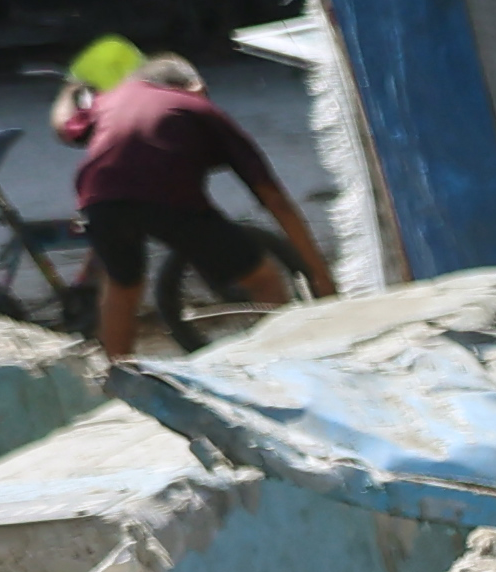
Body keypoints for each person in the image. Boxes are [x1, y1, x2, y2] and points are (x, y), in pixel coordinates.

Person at [61, 52, 332, 355]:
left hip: (97, 196)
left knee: (122, 287)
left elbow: (64, 126)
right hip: (166, 197)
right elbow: (274, 199)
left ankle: (117, 375)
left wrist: (69, 90)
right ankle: (285, 361)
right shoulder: (198, 106)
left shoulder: (109, 99)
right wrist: (319, 275)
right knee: (264, 278)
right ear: (194, 85)